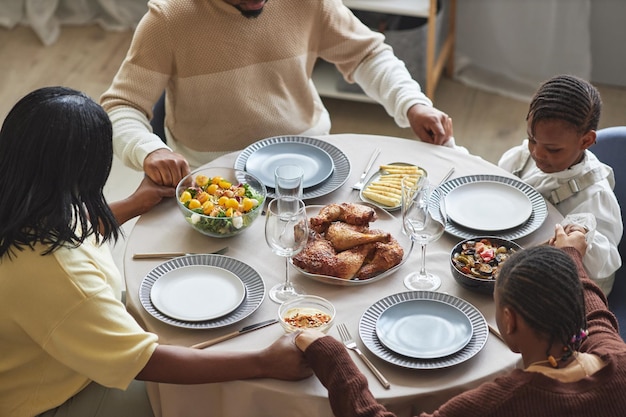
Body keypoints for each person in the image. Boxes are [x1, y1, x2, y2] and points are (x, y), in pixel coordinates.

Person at [0, 86, 311, 417]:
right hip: (54, 399)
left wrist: (133, 204)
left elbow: (72, 229)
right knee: (214, 402)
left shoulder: (24, 199)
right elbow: (143, 361)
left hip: (57, 352)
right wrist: (263, 361)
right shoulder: (63, 279)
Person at [100, 0, 454, 188]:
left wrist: (412, 103)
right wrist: (150, 149)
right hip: (217, 176)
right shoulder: (168, 20)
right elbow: (121, 106)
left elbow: (367, 55)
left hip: (314, 162)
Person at [295, 224, 626, 416]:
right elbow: (598, 317)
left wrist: (332, 355)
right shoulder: (616, 358)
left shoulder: (503, 402)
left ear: (508, 322)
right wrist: (570, 257)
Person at [497, 74, 622, 295]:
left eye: (553, 149)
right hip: (515, 264)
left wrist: (585, 238)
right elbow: (491, 183)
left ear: (586, 141)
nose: (537, 153)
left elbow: (606, 262)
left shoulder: (595, 197)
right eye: (532, 139)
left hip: (564, 294)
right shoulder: (521, 159)